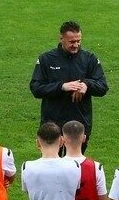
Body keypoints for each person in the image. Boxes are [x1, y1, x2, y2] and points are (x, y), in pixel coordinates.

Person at [29, 21, 108, 151]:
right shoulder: (47, 59)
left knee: (75, 164)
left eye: (78, 41)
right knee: (52, 164)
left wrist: (86, 84)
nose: (76, 45)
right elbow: (36, 88)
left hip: (80, 123)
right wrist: (62, 87)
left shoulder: (89, 59)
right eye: (72, 42)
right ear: (61, 39)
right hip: (52, 124)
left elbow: (103, 87)